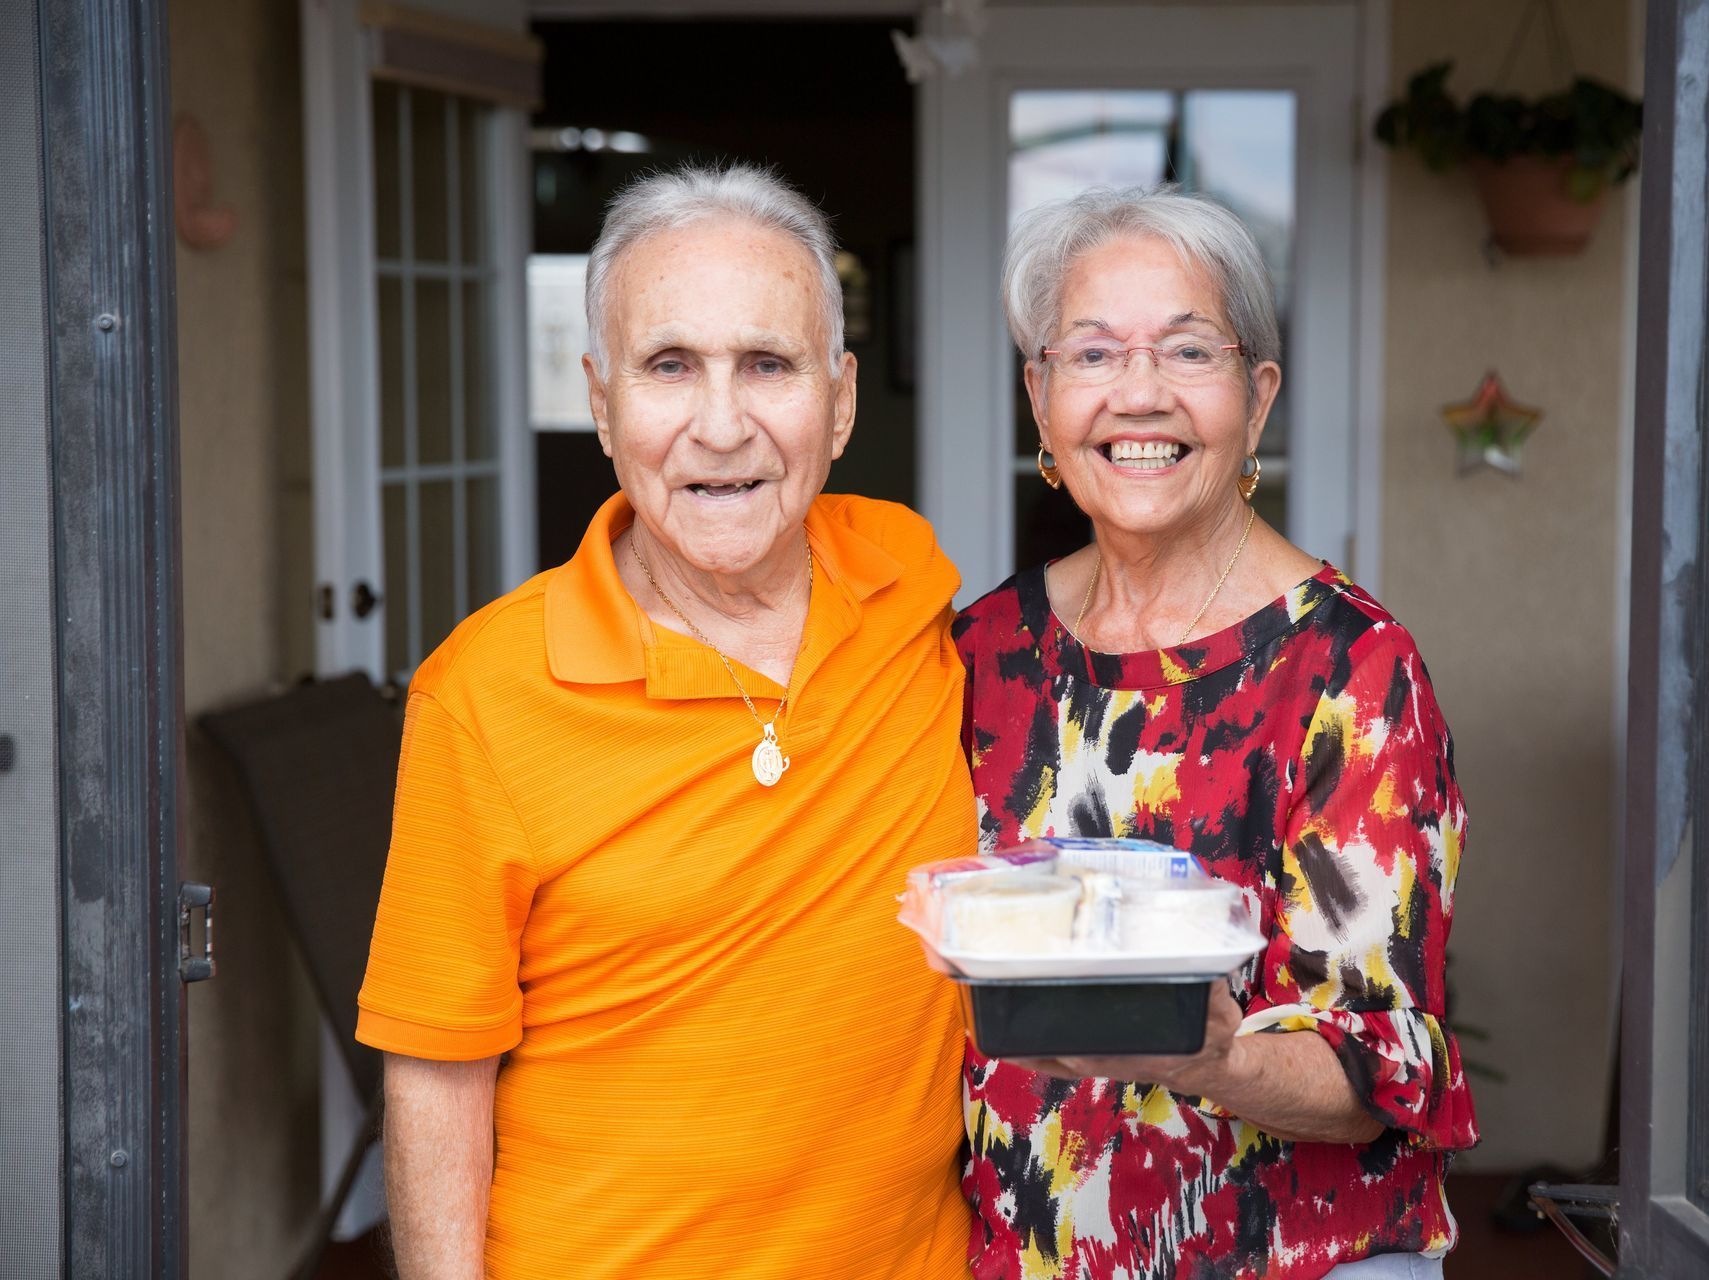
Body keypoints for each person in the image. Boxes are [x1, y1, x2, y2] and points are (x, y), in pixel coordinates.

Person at [355, 163, 976, 1279]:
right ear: (601, 403)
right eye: (669, 366)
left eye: (767, 365)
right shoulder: (484, 690)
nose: (722, 425)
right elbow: (436, 1069)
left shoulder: (909, 591)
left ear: (838, 402)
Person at [952, 187, 1479, 1280]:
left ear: (1256, 393)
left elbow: (1383, 1063)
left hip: (1289, 1259)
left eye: (1188, 350)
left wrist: (1210, 1053)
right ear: (1039, 397)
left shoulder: (1349, 671)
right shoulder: (981, 651)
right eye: (1092, 354)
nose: (1138, 396)